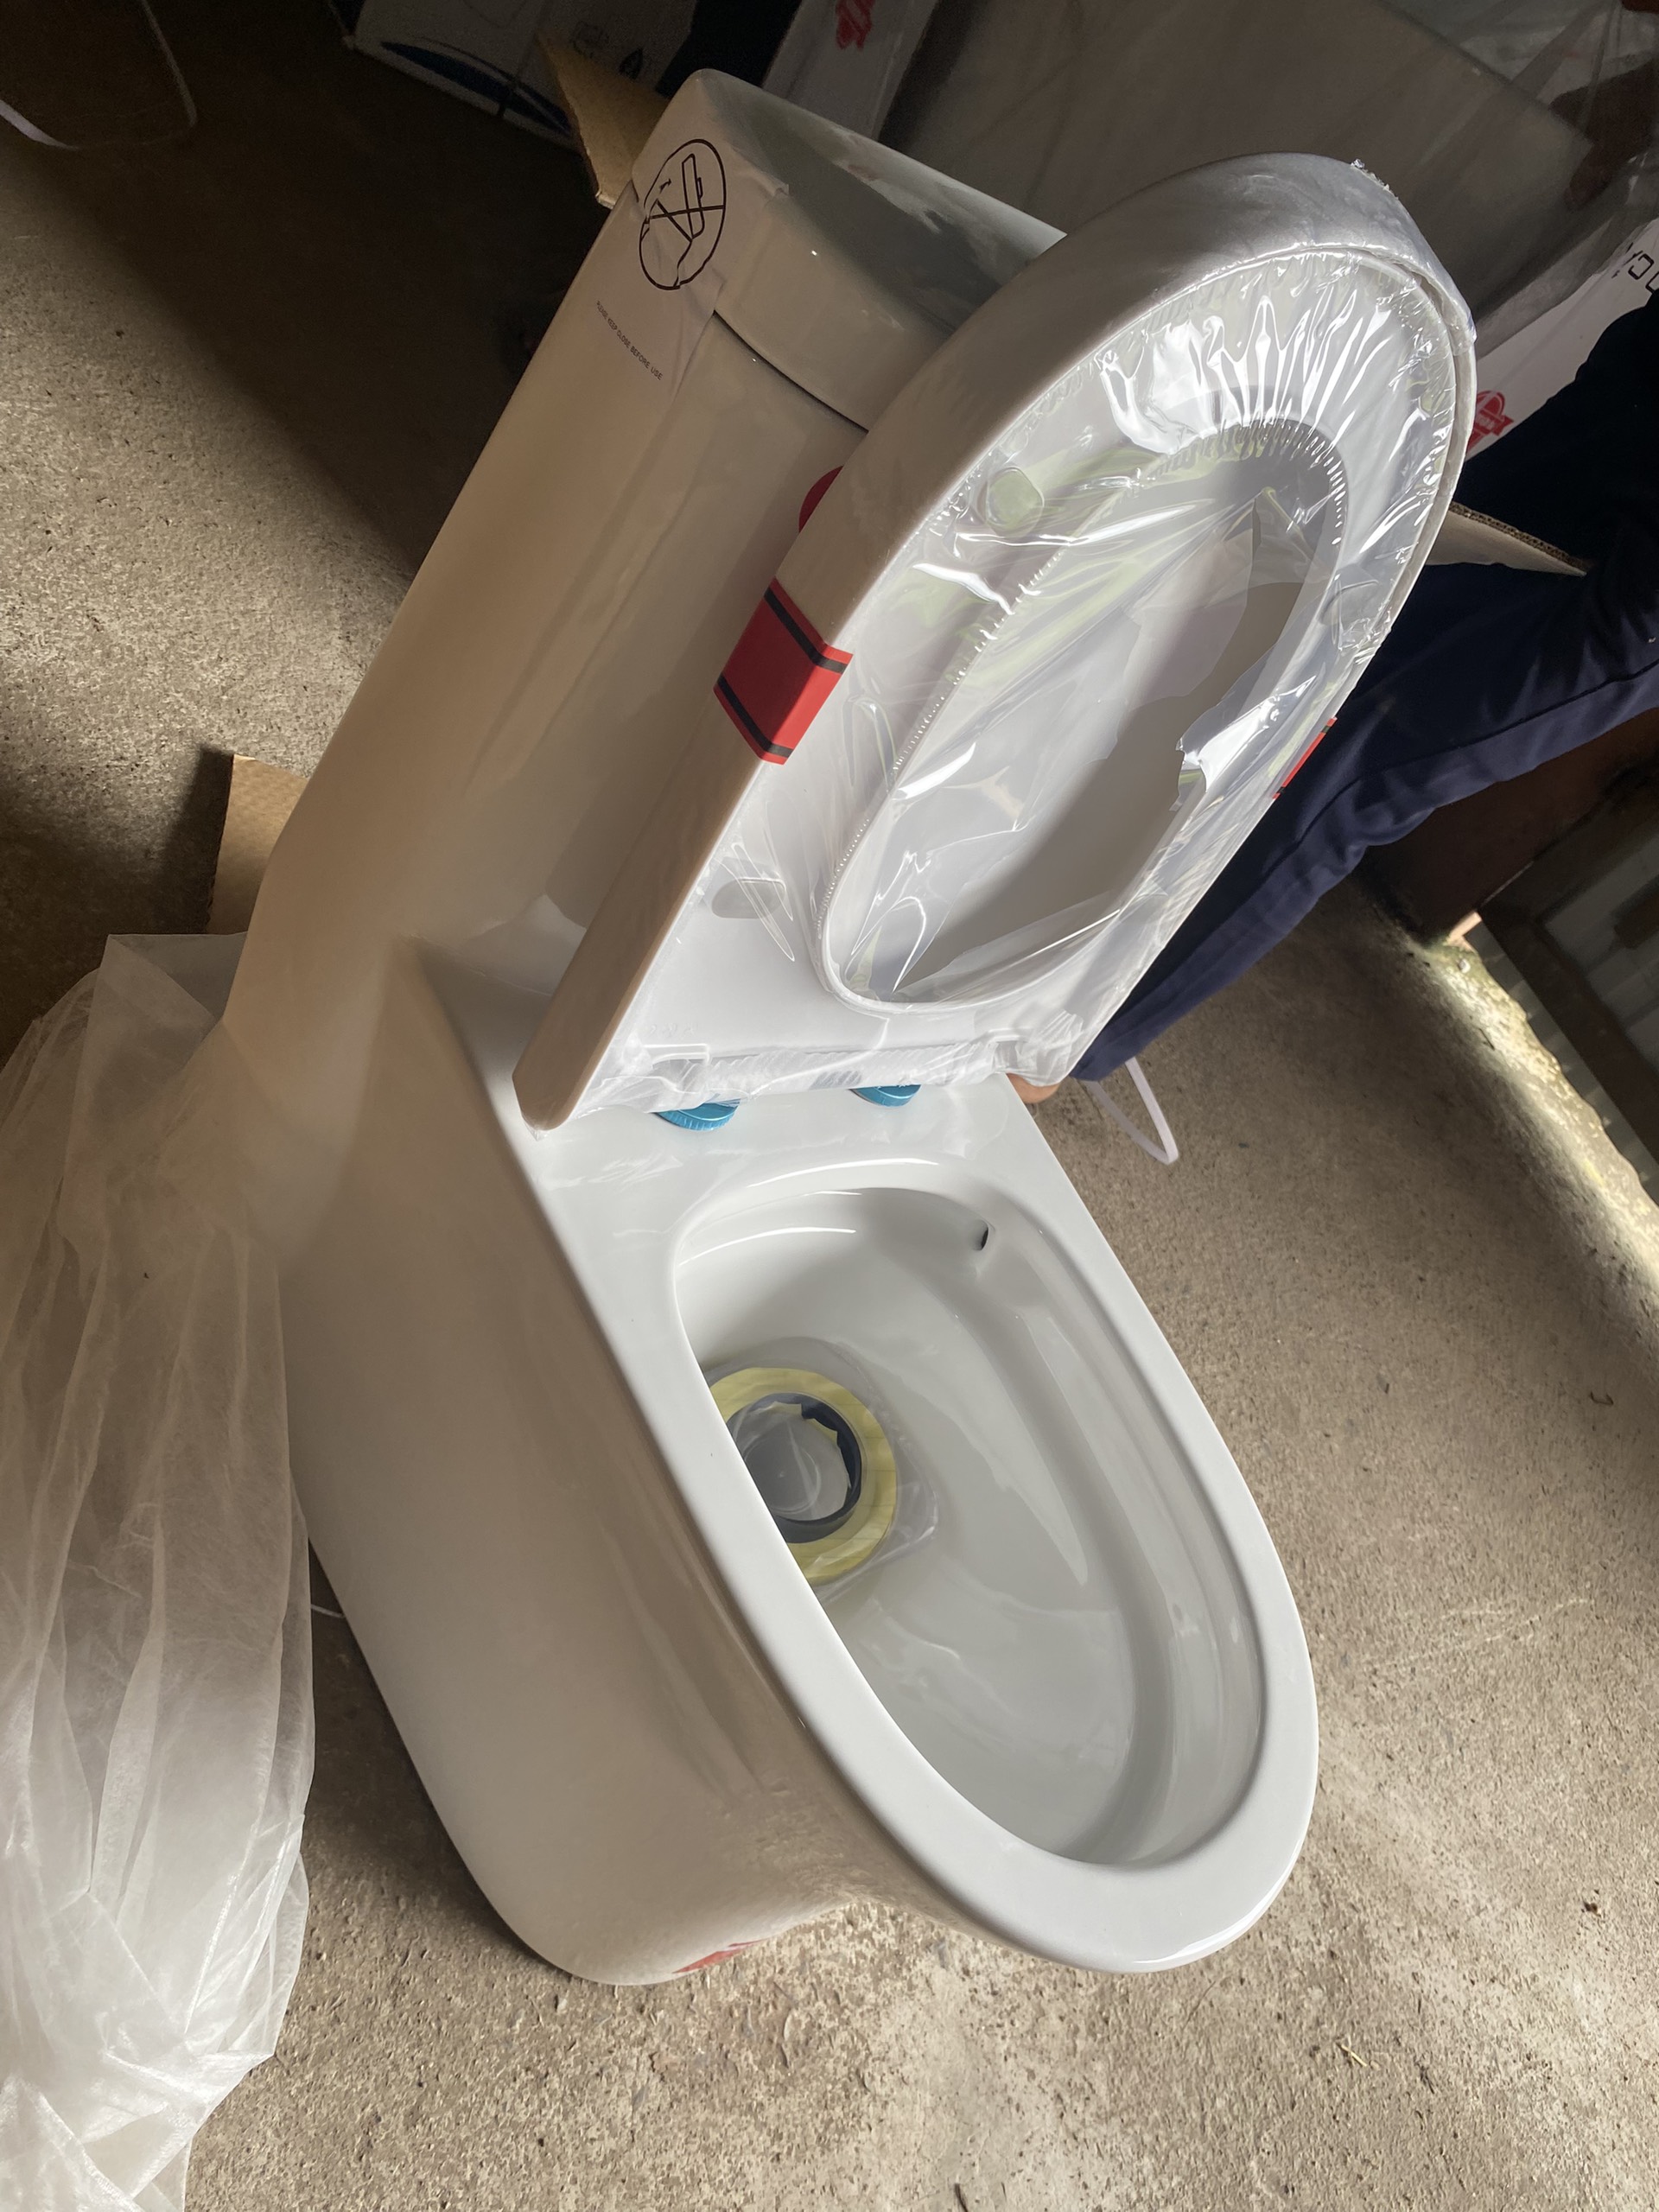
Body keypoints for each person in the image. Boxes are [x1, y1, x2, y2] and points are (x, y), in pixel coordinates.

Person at [1012, 291, 1659, 1106]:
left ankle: (1067, 1042)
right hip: (1626, 410)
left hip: (1631, 594)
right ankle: (1035, 936)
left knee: (1345, 771)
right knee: (1293, 648)